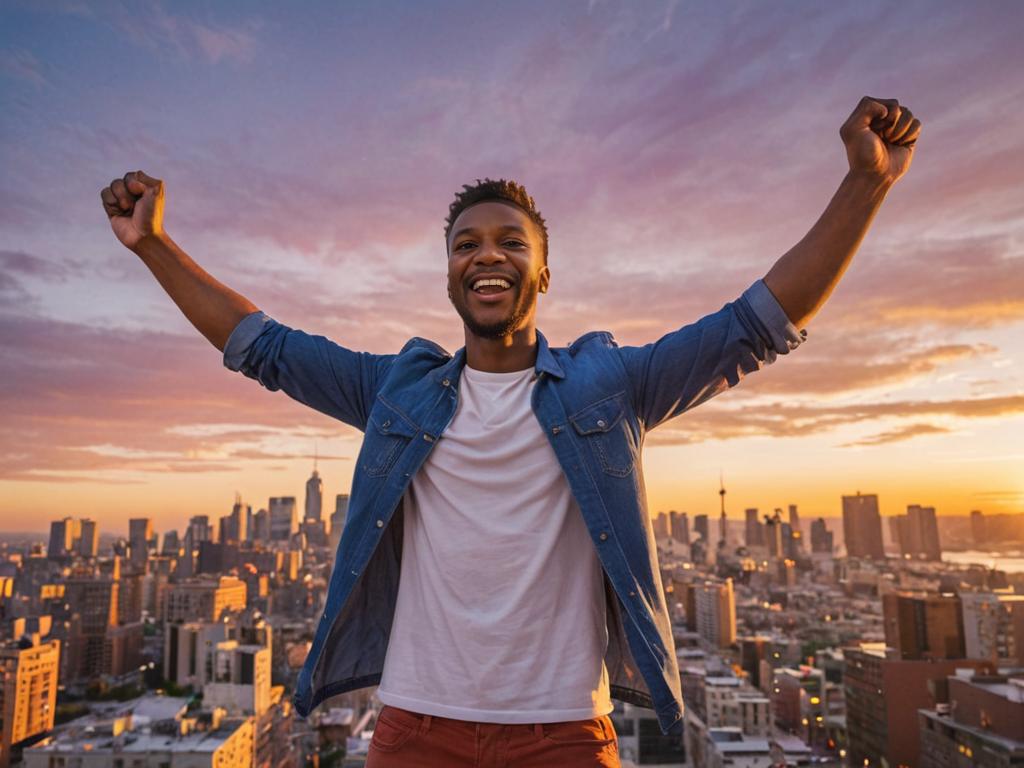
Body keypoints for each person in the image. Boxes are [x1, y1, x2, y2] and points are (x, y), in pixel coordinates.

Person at [100, 96, 920, 768]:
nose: (485, 256)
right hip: (414, 728)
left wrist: (865, 187)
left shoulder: (613, 385)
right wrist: (154, 246)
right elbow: (264, 348)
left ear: (544, 272)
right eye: (466, 244)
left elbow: (756, 325)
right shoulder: (397, 391)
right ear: (450, 272)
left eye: (509, 242)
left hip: (564, 732)